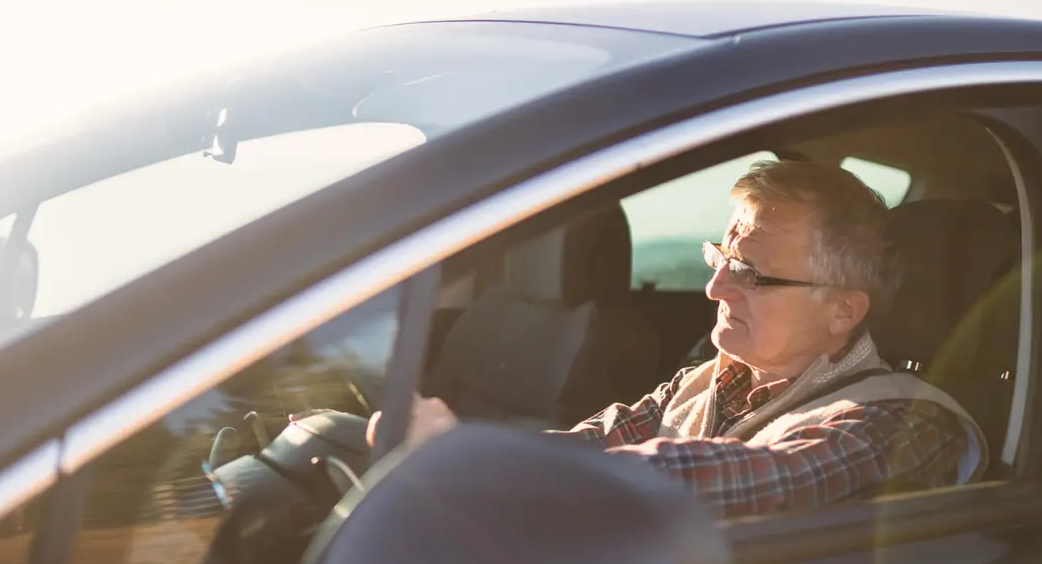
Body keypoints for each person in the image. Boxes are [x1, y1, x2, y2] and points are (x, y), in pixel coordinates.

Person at [369, 160, 988, 518]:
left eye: (748, 273)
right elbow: (588, 446)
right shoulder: (705, 379)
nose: (716, 286)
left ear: (841, 311)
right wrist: (459, 449)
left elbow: (767, 476)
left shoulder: (901, 421)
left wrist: (471, 461)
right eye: (719, 256)